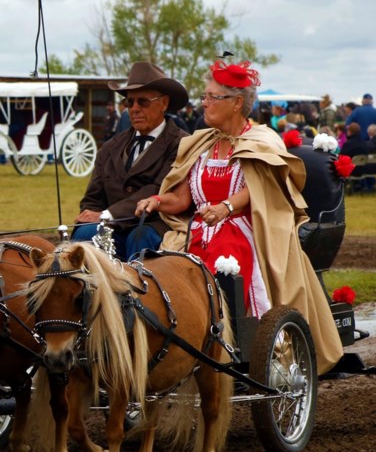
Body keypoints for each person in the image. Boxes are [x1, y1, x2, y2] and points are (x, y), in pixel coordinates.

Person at [134, 59, 342, 374]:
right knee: (166, 272)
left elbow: (263, 187)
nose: (203, 102)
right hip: (200, 230)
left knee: (223, 261)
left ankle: (240, 345)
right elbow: (181, 200)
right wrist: (156, 200)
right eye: (204, 95)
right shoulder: (202, 144)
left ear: (236, 103)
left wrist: (227, 207)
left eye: (211, 97)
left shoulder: (262, 140)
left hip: (248, 229)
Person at [74, 61, 188, 259]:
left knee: (140, 236)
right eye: (129, 102)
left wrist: (106, 215)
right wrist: (90, 216)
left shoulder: (182, 144)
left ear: (164, 103)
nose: (134, 109)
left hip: (156, 225)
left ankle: (141, 290)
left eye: (143, 101)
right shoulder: (110, 148)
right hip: (112, 227)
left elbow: (158, 189)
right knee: (84, 234)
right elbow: (92, 199)